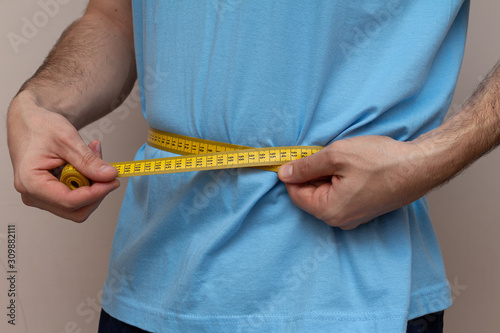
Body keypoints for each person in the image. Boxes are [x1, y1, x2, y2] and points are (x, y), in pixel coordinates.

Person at [6, 0, 498, 332]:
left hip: (350, 301)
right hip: (149, 287)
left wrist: (438, 154)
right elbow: (113, 18)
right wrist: (40, 102)